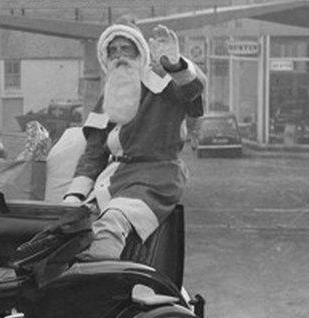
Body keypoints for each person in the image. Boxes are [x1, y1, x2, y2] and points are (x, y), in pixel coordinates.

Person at [62, 21, 205, 261]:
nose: (119, 55)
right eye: (113, 50)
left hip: (155, 177)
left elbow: (192, 90)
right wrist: (75, 195)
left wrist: (176, 66)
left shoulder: (163, 85)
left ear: (140, 52)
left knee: (113, 220)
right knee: (73, 224)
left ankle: (97, 277)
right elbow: (94, 153)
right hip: (114, 178)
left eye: (125, 48)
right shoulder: (108, 96)